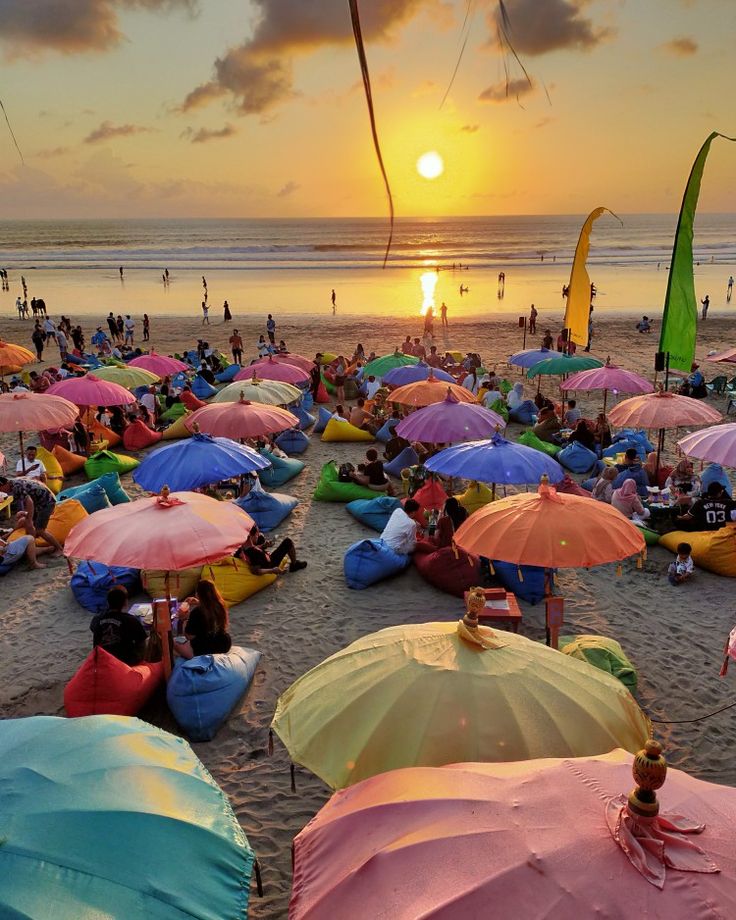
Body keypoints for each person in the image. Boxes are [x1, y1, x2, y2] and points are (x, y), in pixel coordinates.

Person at [0, 475, 64, 555]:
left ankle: (59, 548)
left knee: (39, 530)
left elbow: (29, 501)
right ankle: (34, 547)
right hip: (38, 502)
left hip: (46, 503)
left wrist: (29, 519)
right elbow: (27, 500)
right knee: (28, 526)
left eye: (0, 489)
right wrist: (26, 514)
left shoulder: (17, 487)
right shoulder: (13, 483)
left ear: (4, 485)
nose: (3, 492)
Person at [90, 586, 147, 666]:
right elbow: (141, 642)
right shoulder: (130, 620)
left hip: (101, 661)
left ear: (108, 602)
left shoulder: (97, 618)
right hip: (124, 663)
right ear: (125, 602)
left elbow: (93, 629)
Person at [175, 580, 232, 659]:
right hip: (223, 644)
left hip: (204, 648)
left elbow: (189, 636)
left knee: (174, 643)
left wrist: (183, 619)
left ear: (198, 594)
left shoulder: (197, 612)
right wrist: (199, 602)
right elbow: (209, 607)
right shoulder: (220, 605)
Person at [237, 526, 307, 574]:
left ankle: (294, 563)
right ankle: (294, 565)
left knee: (262, 540)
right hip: (271, 564)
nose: (257, 536)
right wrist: (272, 570)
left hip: (266, 558)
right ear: (251, 536)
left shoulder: (244, 546)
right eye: (256, 535)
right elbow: (255, 570)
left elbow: (253, 548)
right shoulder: (253, 552)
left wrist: (263, 546)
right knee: (288, 542)